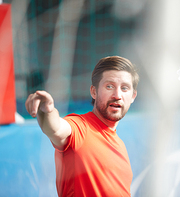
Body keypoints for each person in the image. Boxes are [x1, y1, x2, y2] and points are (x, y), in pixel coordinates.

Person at [25, 56, 139, 197]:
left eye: (125, 88)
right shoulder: (80, 127)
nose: (117, 95)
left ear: (133, 96)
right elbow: (55, 128)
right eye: (109, 86)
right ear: (94, 92)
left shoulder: (120, 144)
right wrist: (47, 111)